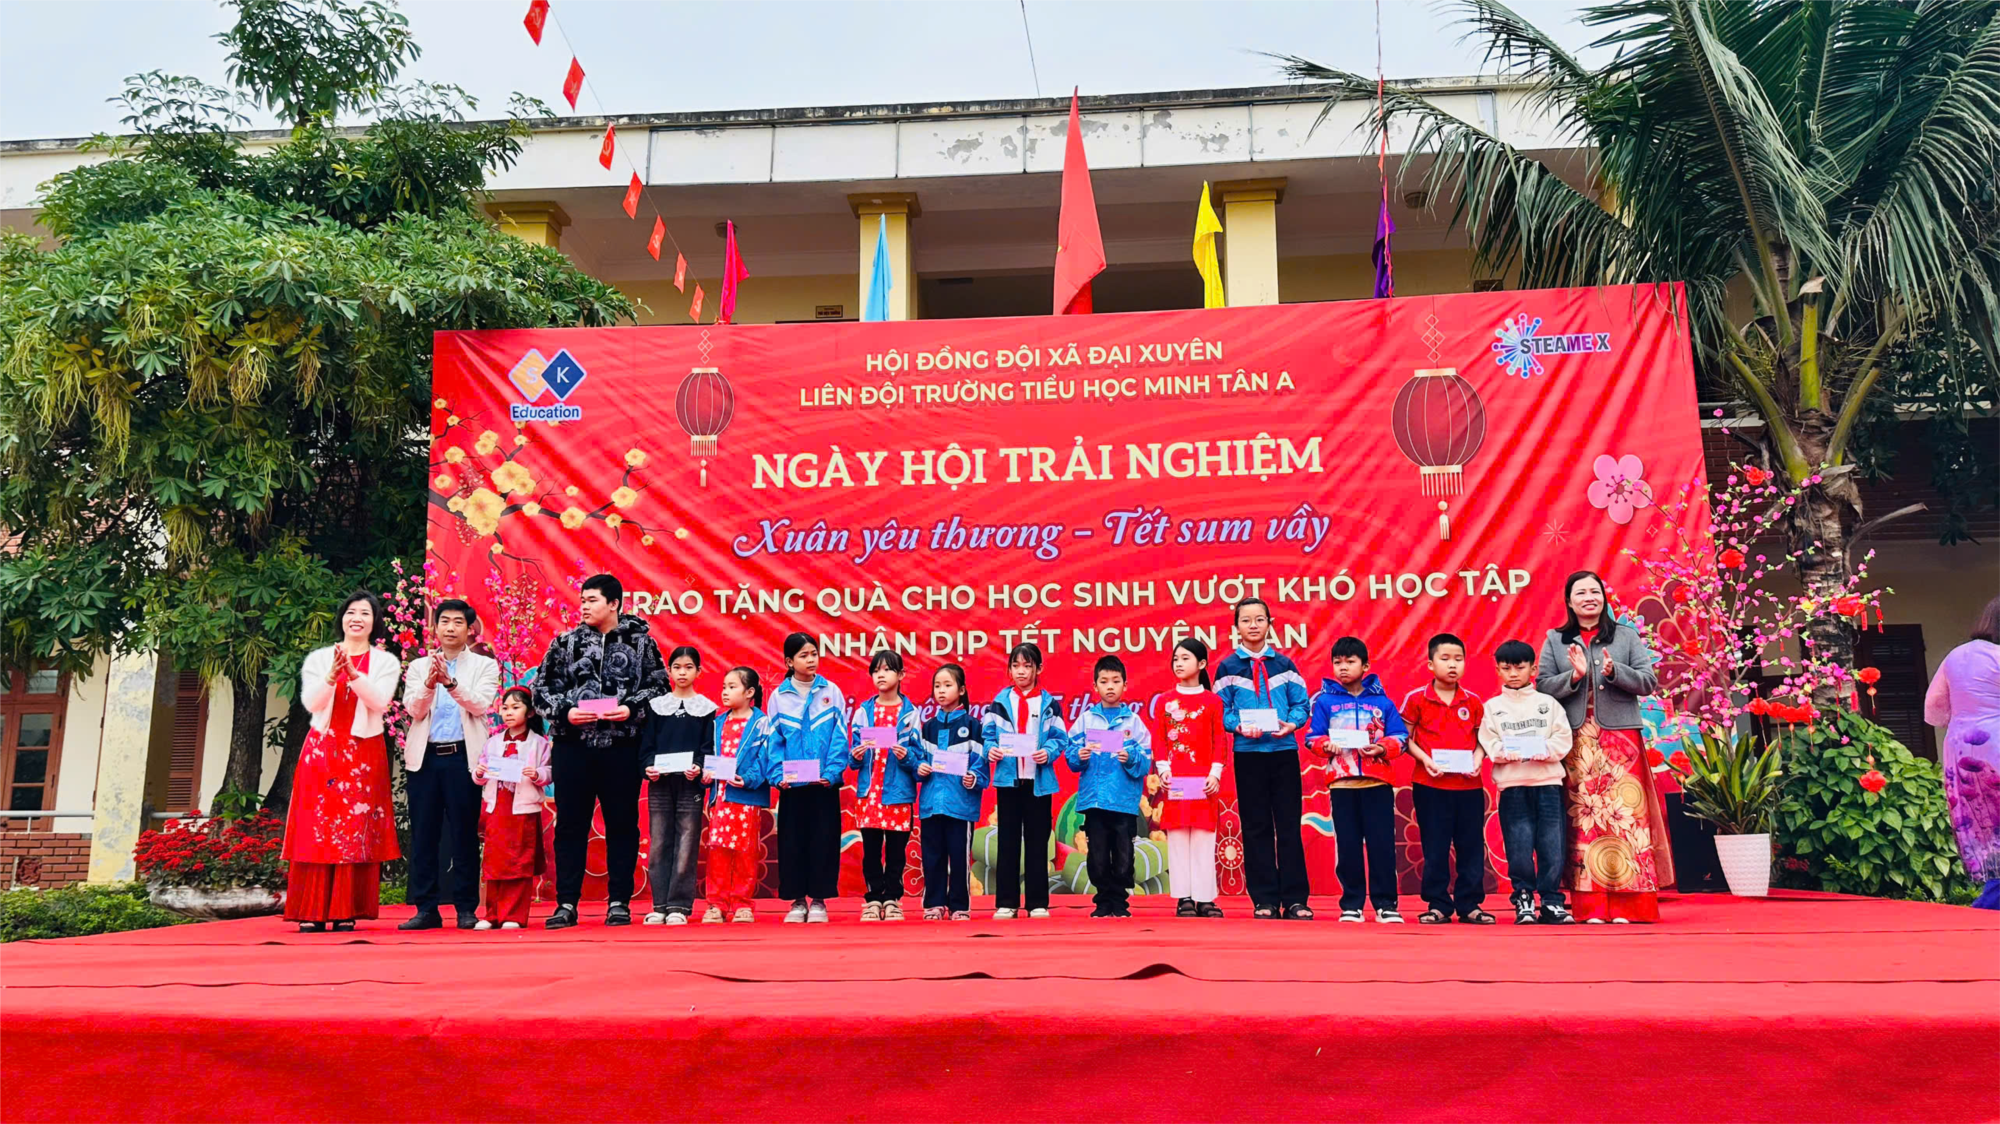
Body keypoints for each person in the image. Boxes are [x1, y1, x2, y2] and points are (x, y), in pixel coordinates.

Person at [1536, 570, 1675, 923]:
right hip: (1577, 740)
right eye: (1580, 593)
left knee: (1627, 819)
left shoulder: (1626, 636)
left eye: (1594, 592)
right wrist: (1574, 676)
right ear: (1569, 601)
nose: (1589, 598)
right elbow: (1542, 686)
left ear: (1603, 598)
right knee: (1585, 820)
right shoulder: (1555, 639)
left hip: (1621, 740)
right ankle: (1592, 907)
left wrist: (1615, 672)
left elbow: (1648, 682)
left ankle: (1632, 906)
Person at [532, 573, 668, 930]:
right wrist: (566, 712)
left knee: (622, 824)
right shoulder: (564, 643)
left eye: (592, 600)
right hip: (572, 746)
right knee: (570, 825)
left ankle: (619, 901)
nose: (584, 606)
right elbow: (540, 690)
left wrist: (631, 708)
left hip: (621, 746)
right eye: (582, 600)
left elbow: (660, 688)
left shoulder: (642, 643)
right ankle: (566, 903)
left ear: (614, 604)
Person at [284, 592, 403, 932]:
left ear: (374, 622)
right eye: (351, 612)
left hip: (363, 752)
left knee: (355, 828)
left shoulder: (385, 662)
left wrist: (352, 674)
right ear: (342, 619)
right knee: (316, 827)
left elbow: (380, 702)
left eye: (365, 613)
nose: (357, 618)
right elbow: (311, 703)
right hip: (322, 750)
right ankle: (310, 909)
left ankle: (345, 908)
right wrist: (330, 676)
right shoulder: (320, 658)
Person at [398, 599, 500, 931]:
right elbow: (414, 710)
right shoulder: (418, 667)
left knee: (464, 835)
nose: (451, 628)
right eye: (444, 621)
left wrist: (451, 684)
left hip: (463, 758)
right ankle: (426, 908)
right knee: (424, 835)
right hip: (425, 759)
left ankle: (466, 909)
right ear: (435, 627)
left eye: (458, 622)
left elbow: (480, 705)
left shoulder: (484, 666)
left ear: (470, 629)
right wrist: (431, 683)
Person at [1215, 598, 1313, 920]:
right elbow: (1220, 711)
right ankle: (1264, 900)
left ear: (1270, 624)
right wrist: (1238, 726)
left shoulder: (1285, 665)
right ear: (1236, 628)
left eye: (1259, 619)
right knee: (1256, 827)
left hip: (1283, 753)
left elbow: (1301, 705)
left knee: (1288, 826)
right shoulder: (1227, 668)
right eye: (1246, 620)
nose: (1253, 625)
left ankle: (1296, 899)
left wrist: (1292, 724)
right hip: (1248, 755)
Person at [1307, 636, 1408, 924]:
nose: (1343, 667)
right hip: (1342, 784)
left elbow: (1400, 737)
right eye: (1337, 662)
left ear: (1365, 665)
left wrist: (1381, 748)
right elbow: (1312, 737)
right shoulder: (1324, 702)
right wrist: (1325, 745)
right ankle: (1351, 904)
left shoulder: (1383, 703)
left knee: (1381, 845)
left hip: (1377, 783)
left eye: (1350, 662)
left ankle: (1386, 904)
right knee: (1348, 845)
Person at [1480, 640, 1575, 925]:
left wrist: (1545, 750)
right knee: (1518, 847)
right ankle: (1523, 899)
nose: (1513, 673)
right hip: (1513, 787)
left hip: (1548, 784)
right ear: (1497, 670)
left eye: (1520, 667)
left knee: (1552, 846)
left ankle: (1551, 901)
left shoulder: (1548, 704)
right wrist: (1506, 753)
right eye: (1506, 668)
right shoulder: (1492, 708)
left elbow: (1563, 738)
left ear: (1533, 669)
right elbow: (1489, 742)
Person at [1401, 633, 1493, 925]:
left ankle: (1470, 904)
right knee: (1435, 846)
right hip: (1430, 785)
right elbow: (1404, 738)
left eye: (1458, 659)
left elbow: (1483, 740)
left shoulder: (1473, 701)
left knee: (1471, 845)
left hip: (1468, 786)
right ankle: (1438, 904)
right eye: (1445, 659)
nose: (1453, 665)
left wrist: (1477, 761)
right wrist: (1425, 760)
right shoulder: (1417, 699)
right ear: (1430, 664)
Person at [980, 642, 1069, 919]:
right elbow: (987, 736)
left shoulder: (1049, 704)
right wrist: (991, 750)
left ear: (1038, 669)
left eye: (1027, 666)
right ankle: (1006, 902)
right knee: (1007, 841)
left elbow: (1060, 738)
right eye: (1015, 666)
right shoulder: (999, 702)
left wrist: (1048, 752)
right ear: (1009, 669)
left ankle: (1037, 902)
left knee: (1037, 842)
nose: (1021, 671)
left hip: (1038, 782)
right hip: (1008, 781)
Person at [1924, 593, 2000, 910]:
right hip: (1996, 739)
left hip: (1960, 746)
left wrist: (1967, 715)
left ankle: (1991, 896)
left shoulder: (1955, 656)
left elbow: (1933, 710)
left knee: (1985, 823)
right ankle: (1990, 903)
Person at [1064, 655, 1154, 919]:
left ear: (1125, 685)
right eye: (1104, 681)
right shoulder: (1085, 720)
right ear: (1095, 686)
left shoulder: (1134, 723)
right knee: (1098, 855)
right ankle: (1103, 901)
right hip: (1094, 800)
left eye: (1116, 681)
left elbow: (1146, 760)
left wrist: (1131, 757)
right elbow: (1070, 752)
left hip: (1123, 801)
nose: (1110, 686)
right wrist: (1078, 755)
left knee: (1124, 855)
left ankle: (1120, 901)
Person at [768, 633, 849, 924]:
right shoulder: (779, 697)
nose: (811, 659)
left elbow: (840, 737)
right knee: (793, 843)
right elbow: (774, 741)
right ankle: (797, 901)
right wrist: (778, 775)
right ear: (789, 662)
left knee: (823, 841)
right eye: (803, 655)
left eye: (814, 653)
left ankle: (818, 901)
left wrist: (831, 772)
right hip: (792, 786)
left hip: (823, 785)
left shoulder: (832, 691)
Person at [1150, 638, 1228, 918]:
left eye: (1185, 658)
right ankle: (1183, 897)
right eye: (1176, 659)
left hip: (1204, 781)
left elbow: (1220, 740)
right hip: (1177, 780)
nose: (1179, 664)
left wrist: (1215, 773)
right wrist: (1163, 770)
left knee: (1204, 839)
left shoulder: (1213, 701)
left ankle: (1205, 898)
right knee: (1179, 837)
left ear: (1202, 663)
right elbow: (1159, 739)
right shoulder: (1165, 701)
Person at [638, 646, 713, 925]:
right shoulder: (657, 707)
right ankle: (659, 905)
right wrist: (648, 767)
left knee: (686, 844)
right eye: (677, 667)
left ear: (698, 672)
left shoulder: (706, 708)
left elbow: (708, 747)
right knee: (659, 843)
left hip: (690, 786)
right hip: (660, 784)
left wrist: (699, 766)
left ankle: (679, 906)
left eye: (688, 667)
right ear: (669, 671)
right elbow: (646, 747)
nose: (683, 673)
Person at [850, 650, 922, 922]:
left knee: (895, 851)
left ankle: (892, 899)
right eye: (876, 670)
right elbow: (852, 757)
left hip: (897, 793)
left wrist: (907, 757)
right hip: (870, 794)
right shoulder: (863, 712)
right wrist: (856, 756)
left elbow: (918, 757)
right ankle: (872, 900)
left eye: (887, 670)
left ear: (901, 675)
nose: (880, 675)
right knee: (870, 851)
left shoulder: (910, 714)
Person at [471, 687, 550, 930]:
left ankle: (513, 915)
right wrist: (479, 773)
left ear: (530, 712)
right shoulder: (493, 742)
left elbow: (549, 772)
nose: (508, 713)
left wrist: (537, 774)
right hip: (497, 808)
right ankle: (492, 914)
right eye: (505, 708)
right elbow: (480, 772)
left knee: (518, 861)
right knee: (494, 861)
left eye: (516, 707)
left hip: (523, 809)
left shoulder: (539, 743)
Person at [703, 667, 775, 923]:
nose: (725, 692)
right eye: (724, 687)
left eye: (732, 687)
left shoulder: (762, 723)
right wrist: (706, 774)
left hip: (745, 798)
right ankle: (716, 904)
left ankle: (743, 903)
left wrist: (748, 779)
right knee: (718, 851)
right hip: (720, 798)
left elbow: (765, 758)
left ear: (750, 692)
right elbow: (708, 756)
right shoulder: (717, 723)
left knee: (745, 851)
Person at [917, 663, 987, 920]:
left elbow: (981, 764)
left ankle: (959, 905)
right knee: (932, 857)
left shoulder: (974, 726)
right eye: (937, 686)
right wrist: (919, 767)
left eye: (947, 685)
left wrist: (973, 777)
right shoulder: (928, 728)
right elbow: (918, 759)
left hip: (961, 804)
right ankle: (934, 904)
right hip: (931, 804)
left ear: (962, 690)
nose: (941, 691)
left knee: (959, 857)